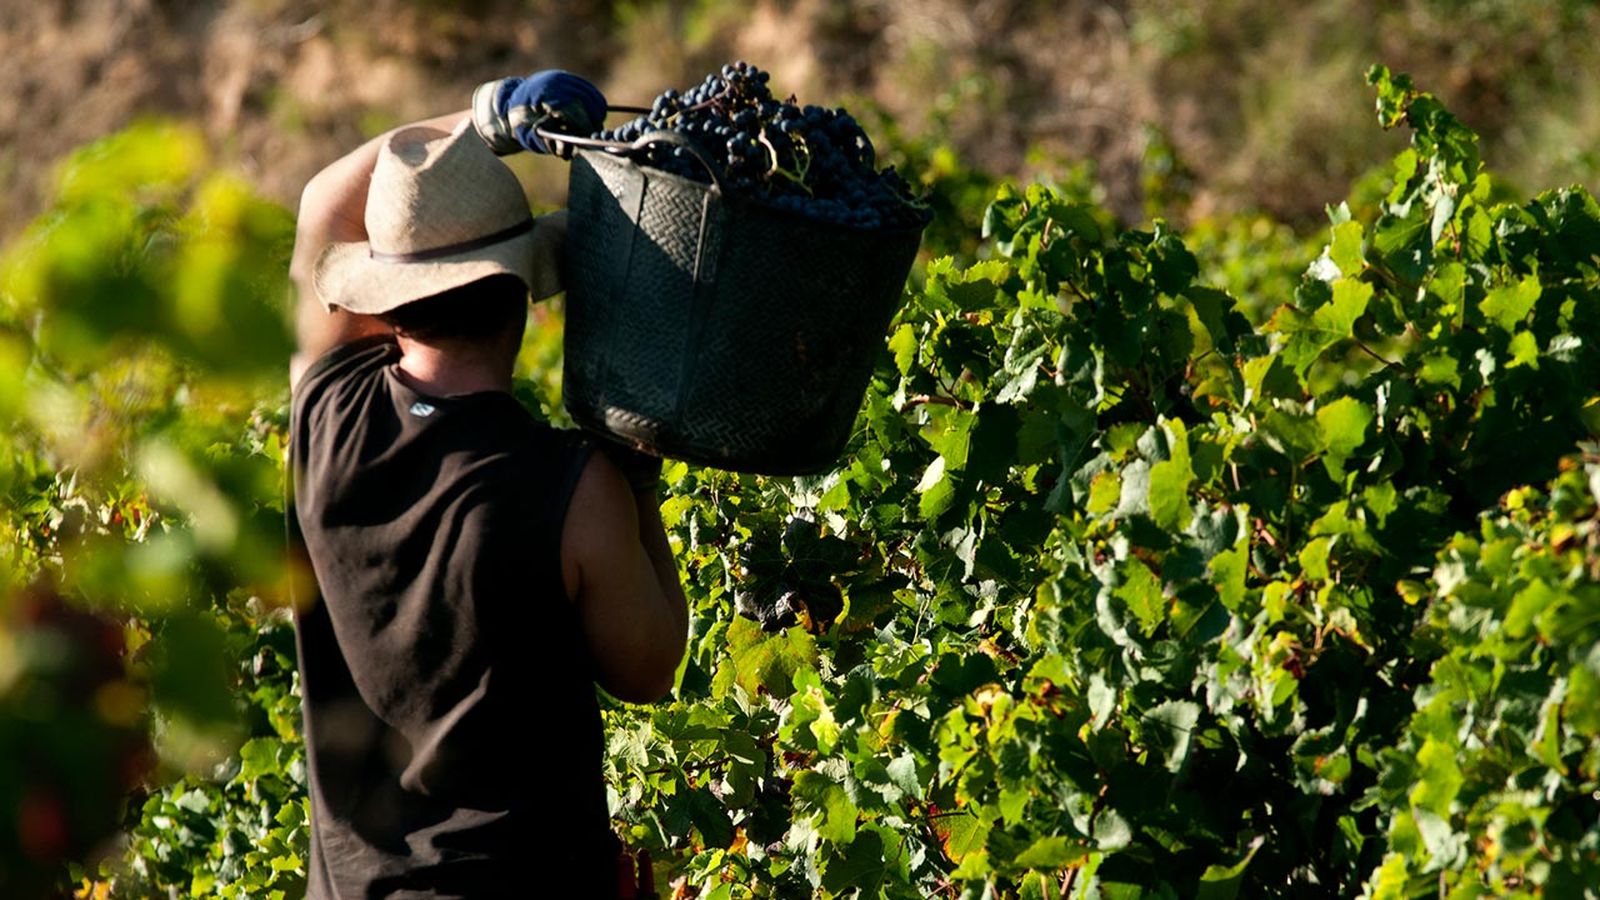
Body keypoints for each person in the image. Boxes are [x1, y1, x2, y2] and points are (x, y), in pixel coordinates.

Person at [286, 70, 687, 899]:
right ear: (525, 297)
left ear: (388, 302)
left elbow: (324, 202)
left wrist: (485, 117)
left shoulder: (326, 413)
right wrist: (639, 479)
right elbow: (649, 667)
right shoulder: (574, 488)